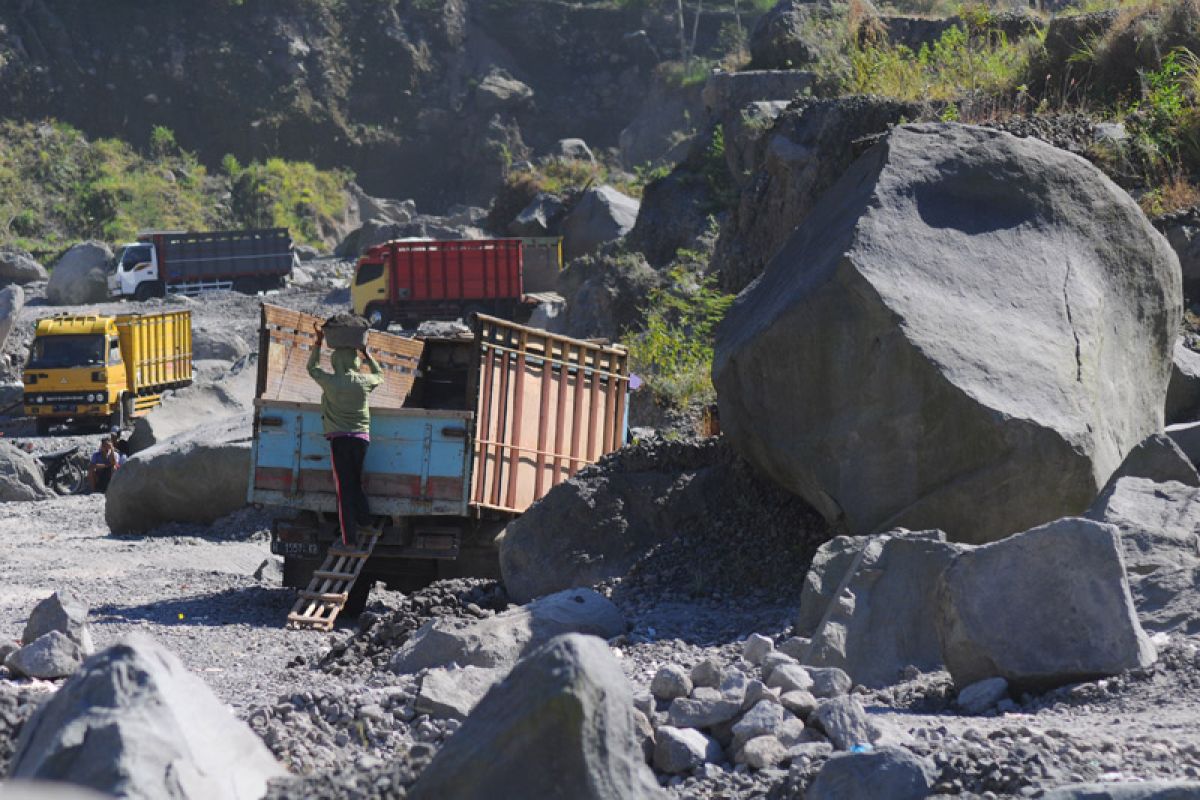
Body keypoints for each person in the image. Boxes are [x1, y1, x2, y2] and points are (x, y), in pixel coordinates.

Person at [307, 323, 384, 545]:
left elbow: (312, 368)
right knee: (356, 484)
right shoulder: (364, 382)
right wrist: (367, 353)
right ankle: (366, 522)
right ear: (356, 361)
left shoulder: (330, 382)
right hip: (361, 440)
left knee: (344, 490)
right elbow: (379, 374)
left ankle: (349, 538)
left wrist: (319, 343)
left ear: (335, 362)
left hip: (339, 441)